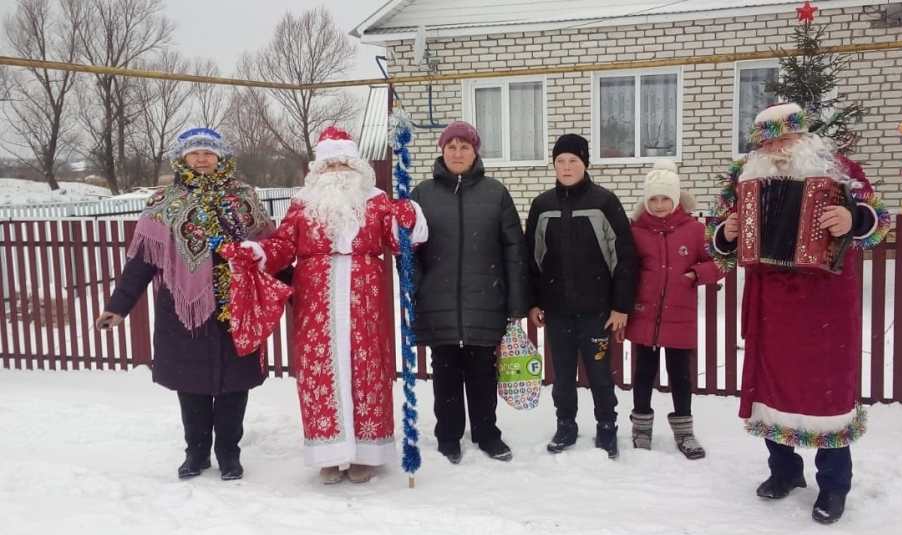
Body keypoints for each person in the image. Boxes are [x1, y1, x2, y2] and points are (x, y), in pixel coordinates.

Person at [707, 102, 889, 524]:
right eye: (770, 141)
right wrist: (726, 233)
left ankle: (833, 486)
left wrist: (853, 217)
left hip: (826, 302)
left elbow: (879, 222)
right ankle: (785, 472)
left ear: (804, 135)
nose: (779, 148)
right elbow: (715, 234)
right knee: (773, 390)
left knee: (828, 393)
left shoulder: (840, 168)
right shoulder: (743, 174)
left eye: (786, 138)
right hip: (772, 299)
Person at [234, 126, 427, 485]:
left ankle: (365, 453)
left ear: (357, 167)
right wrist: (260, 252)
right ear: (318, 171)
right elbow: (283, 245)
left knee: (367, 367)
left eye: (344, 164)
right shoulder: (302, 205)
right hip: (315, 298)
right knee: (319, 370)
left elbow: (399, 243)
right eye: (330, 165)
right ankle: (328, 451)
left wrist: (407, 216)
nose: (338, 172)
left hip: (365, 297)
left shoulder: (377, 200)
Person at [95, 127, 277, 481]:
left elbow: (271, 250)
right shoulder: (164, 202)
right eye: (195, 153)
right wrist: (118, 305)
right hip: (182, 310)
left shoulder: (245, 198)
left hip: (235, 307)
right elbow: (143, 261)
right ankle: (195, 453)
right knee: (189, 385)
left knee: (234, 387)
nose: (202, 159)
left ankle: (228, 453)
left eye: (209, 153)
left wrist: (287, 289)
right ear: (183, 158)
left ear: (222, 157)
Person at [411, 120, 530, 465]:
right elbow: (411, 249)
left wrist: (516, 302)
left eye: (465, 146)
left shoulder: (495, 193)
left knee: (482, 372)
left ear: (475, 151)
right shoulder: (422, 194)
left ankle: (486, 434)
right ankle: (448, 437)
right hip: (438, 301)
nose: (458, 153)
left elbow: (514, 250)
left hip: (485, 299)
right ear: (442, 151)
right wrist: (415, 285)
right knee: (445, 373)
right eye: (452, 146)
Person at [525, 133, 638, 460]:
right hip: (557, 310)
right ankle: (566, 425)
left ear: (584, 163)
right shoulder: (542, 206)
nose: (566, 166)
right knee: (562, 376)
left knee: (601, 375)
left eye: (573, 160)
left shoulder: (604, 202)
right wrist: (533, 302)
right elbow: (531, 258)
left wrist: (620, 306)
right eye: (560, 161)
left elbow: (624, 257)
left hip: (597, 311)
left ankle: (606, 428)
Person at [618, 159, 723, 458]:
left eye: (666, 198)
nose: (660, 204)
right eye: (654, 198)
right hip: (644, 316)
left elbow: (721, 262)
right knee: (643, 374)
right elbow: (626, 269)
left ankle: (685, 432)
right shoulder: (636, 232)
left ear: (676, 199)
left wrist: (695, 274)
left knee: (680, 376)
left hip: (680, 316)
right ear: (645, 201)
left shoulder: (695, 230)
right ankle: (641, 428)